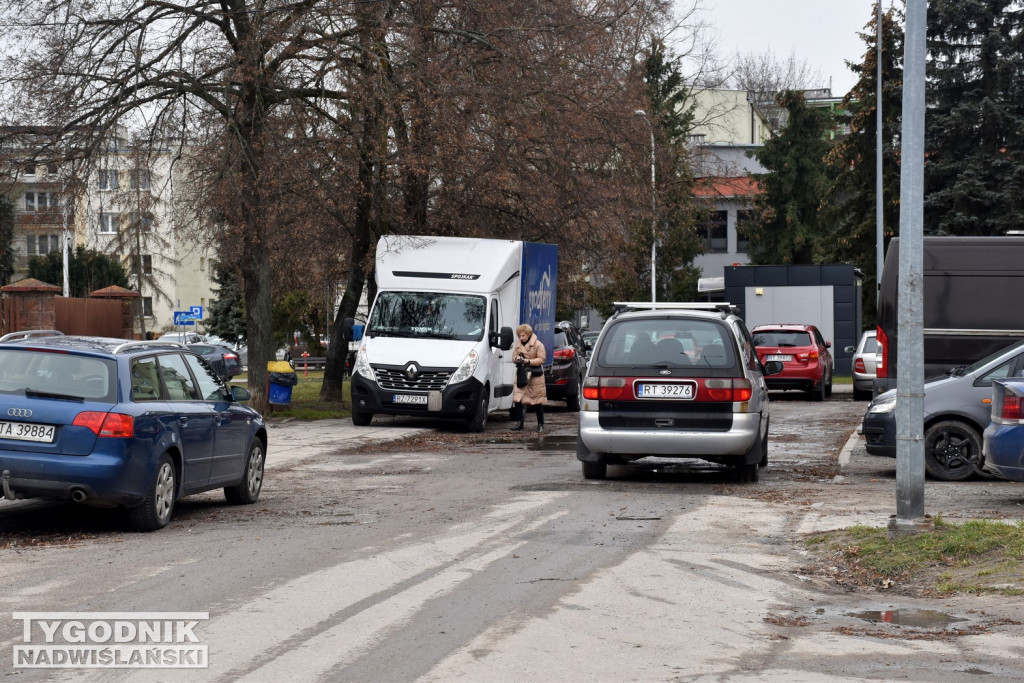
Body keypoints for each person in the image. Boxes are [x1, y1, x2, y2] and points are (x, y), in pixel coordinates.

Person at [510, 323, 547, 432]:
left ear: (529, 334)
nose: (521, 338)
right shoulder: (518, 344)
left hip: (535, 376)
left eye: (523, 335)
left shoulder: (538, 345)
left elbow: (541, 359)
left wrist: (528, 361)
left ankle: (540, 424)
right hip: (522, 374)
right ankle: (519, 423)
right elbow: (513, 357)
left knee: (537, 401)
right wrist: (517, 358)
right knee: (518, 399)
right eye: (520, 336)